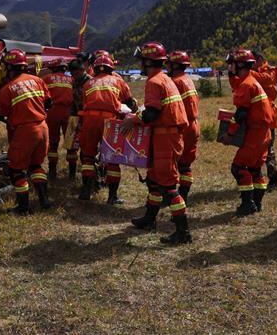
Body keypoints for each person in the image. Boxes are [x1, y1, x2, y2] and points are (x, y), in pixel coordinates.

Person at [122, 42, 191, 244]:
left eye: (142, 61)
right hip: (167, 136)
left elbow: (152, 113)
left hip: (165, 138)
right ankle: (149, 219)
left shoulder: (154, 82)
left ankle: (183, 232)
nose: (140, 65)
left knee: (168, 187)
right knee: (153, 181)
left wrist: (133, 119)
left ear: (148, 61)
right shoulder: (165, 79)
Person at [0, 49, 52, 214]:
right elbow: (48, 103)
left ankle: (23, 207)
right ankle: (44, 200)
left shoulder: (8, 89)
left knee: (17, 170)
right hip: (43, 128)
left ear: (10, 68)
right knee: (36, 166)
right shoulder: (38, 81)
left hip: (25, 131)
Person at [77, 54, 137, 204]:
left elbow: (83, 105)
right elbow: (129, 102)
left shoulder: (88, 83)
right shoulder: (118, 81)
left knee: (88, 157)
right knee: (112, 159)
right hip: (110, 122)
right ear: (111, 68)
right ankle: (112, 196)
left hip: (90, 121)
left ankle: (86, 191)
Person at [223, 49, 272, 216]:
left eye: (233, 64)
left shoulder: (247, 84)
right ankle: (257, 203)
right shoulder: (250, 81)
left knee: (239, 168)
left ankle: (247, 203)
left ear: (240, 64)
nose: (231, 67)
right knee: (255, 169)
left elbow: (241, 113)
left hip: (256, 133)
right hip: (264, 132)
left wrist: (230, 134)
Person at [168, 50, 200, 205]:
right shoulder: (187, 79)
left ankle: (172, 198)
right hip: (193, 125)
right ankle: (184, 196)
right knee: (185, 164)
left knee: (172, 162)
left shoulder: (175, 82)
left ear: (174, 64)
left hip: (182, 126)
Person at [253, 51, 277, 191]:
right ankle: (255, 178)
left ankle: (273, 179)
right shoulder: (251, 72)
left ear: (259, 60)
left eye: (251, 62)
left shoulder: (272, 71)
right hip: (253, 117)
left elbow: (265, 79)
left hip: (268, 117)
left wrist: (246, 73)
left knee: (268, 148)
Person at [42, 58, 74, 179]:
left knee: (53, 143)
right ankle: (72, 172)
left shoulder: (47, 79)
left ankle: (52, 171)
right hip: (69, 112)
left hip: (53, 112)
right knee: (71, 143)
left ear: (53, 68)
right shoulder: (72, 80)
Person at [66, 58, 91, 180]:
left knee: (86, 150)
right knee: (70, 147)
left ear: (82, 70)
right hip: (74, 117)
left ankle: (89, 177)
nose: (73, 76)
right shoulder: (74, 82)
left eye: (75, 73)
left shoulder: (91, 82)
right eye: (71, 74)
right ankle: (71, 174)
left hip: (87, 119)